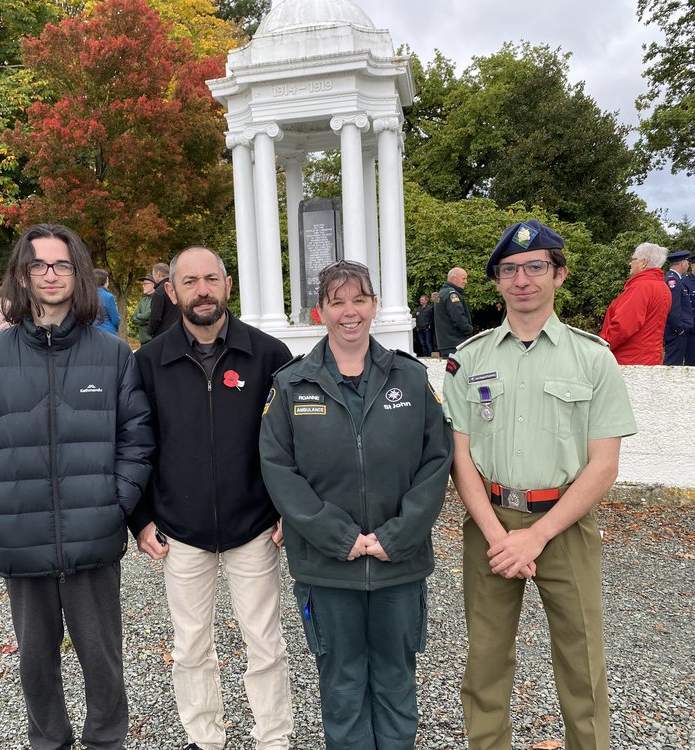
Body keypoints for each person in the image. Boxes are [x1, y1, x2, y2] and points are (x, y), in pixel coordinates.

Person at [0, 224, 154, 750]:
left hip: (93, 537)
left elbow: (136, 438)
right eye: (38, 265)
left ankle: (107, 742)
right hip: (19, 536)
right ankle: (48, 743)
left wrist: (115, 503)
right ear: (21, 275)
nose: (51, 274)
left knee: (104, 664)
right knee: (36, 664)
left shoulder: (112, 355)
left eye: (62, 265)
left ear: (77, 274)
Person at [443, 219, 637, 750]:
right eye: (509, 270)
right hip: (490, 521)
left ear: (559, 275)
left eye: (535, 267)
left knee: (582, 660)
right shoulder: (471, 359)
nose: (522, 279)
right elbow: (459, 458)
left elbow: (603, 466)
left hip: (566, 524)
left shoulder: (593, 357)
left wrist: (537, 535)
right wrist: (498, 532)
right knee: (484, 658)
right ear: (498, 282)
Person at [259, 260, 452, 750]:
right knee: (342, 685)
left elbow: (437, 460)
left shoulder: (409, 378)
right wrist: (339, 537)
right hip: (328, 568)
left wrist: (397, 535)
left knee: (395, 681)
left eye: (359, 300)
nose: (350, 312)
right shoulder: (291, 385)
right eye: (337, 302)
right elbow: (279, 469)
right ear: (319, 311)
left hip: (398, 564)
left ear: (373, 305)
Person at [130, 246, 294, 750]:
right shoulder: (148, 363)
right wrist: (139, 519)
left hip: (256, 528)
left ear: (227, 285)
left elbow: (292, 441)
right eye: (190, 281)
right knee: (190, 647)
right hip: (181, 532)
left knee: (265, 645)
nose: (202, 290)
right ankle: (206, 739)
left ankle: (274, 739)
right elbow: (134, 443)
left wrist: (289, 508)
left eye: (211, 279)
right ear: (172, 290)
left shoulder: (270, 355)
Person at [598, 242, 671, 364]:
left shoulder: (641, 287)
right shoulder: (663, 287)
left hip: (630, 358)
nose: (630, 263)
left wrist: (600, 345)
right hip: (651, 357)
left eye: (633, 259)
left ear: (643, 262)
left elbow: (623, 326)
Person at [663, 250, 693, 365]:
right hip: (675, 331)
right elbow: (673, 307)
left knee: (676, 361)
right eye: (687, 262)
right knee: (673, 363)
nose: (688, 265)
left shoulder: (676, 279)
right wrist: (679, 329)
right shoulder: (673, 280)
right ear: (682, 263)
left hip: (677, 329)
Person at [433, 267, 472, 357]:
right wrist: (468, 330)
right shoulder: (452, 294)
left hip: (446, 343)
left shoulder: (441, 293)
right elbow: (458, 317)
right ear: (454, 278)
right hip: (456, 343)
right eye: (463, 278)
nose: (466, 282)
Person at [147, 261, 180, 337]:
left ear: (158, 274)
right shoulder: (178, 288)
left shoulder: (159, 292)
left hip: (163, 334)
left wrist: (150, 331)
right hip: (179, 332)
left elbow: (155, 316)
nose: (153, 277)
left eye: (153, 274)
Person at [93, 268, 122, 336]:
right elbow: (116, 320)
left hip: (91, 333)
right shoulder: (108, 297)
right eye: (108, 281)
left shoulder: (87, 296)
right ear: (105, 282)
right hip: (107, 333)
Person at [129, 275, 155, 346]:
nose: (143, 286)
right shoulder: (143, 300)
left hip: (153, 339)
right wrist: (146, 322)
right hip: (143, 340)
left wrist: (139, 316)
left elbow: (148, 315)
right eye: (143, 284)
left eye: (145, 284)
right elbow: (133, 318)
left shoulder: (157, 299)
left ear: (153, 285)